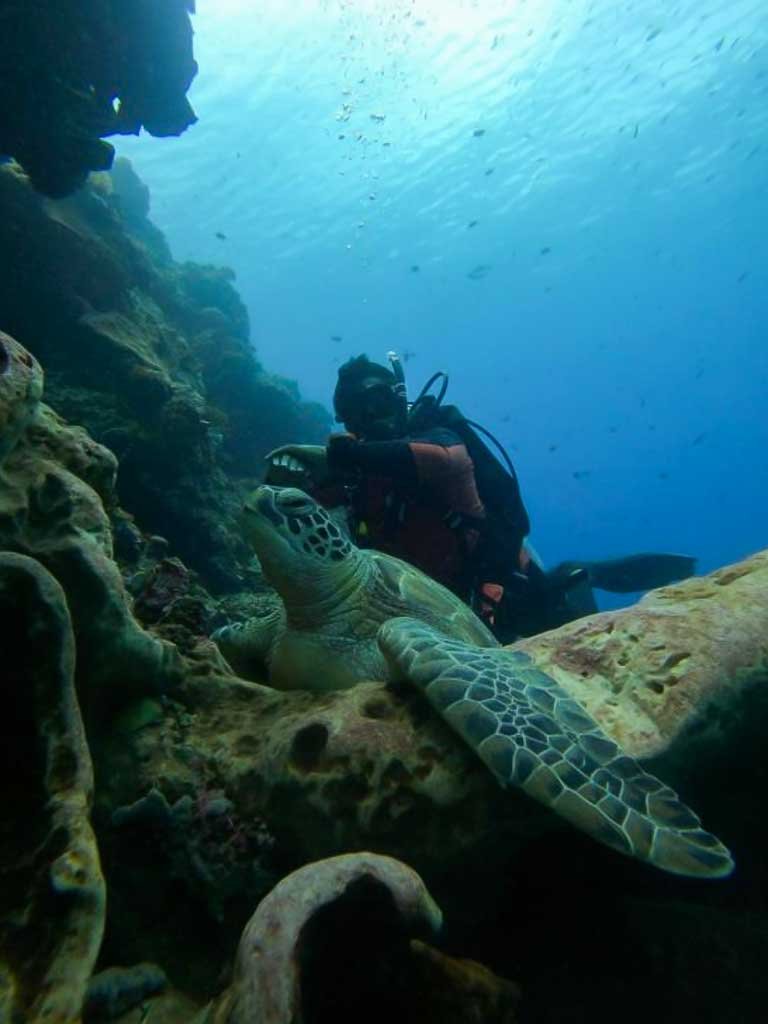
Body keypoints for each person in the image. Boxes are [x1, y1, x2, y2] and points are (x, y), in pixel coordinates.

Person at [266, 353, 534, 636]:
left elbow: (446, 459)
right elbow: (297, 508)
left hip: (501, 588)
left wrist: (343, 457)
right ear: (346, 421)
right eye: (356, 410)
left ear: (399, 397)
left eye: (378, 400)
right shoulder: (357, 470)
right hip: (415, 609)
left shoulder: (438, 434)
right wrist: (283, 480)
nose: (370, 415)